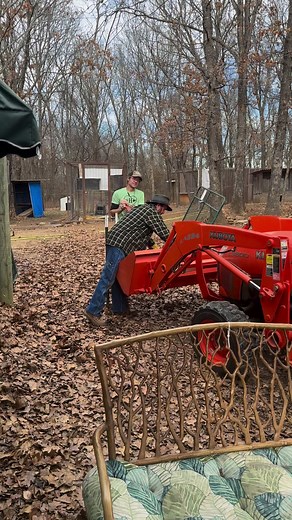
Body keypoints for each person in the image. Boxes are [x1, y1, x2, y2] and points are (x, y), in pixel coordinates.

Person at [84, 194, 172, 327]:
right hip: (119, 244)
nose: (163, 212)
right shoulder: (151, 212)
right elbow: (165, 234)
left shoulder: (142, 209)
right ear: (158, 206)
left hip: (119, 242)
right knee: (108, 277)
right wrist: (177, 245)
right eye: (163, 209)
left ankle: (120, 308)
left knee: (119, 277)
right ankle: (93, 311)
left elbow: (139, 231)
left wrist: (152, 245)